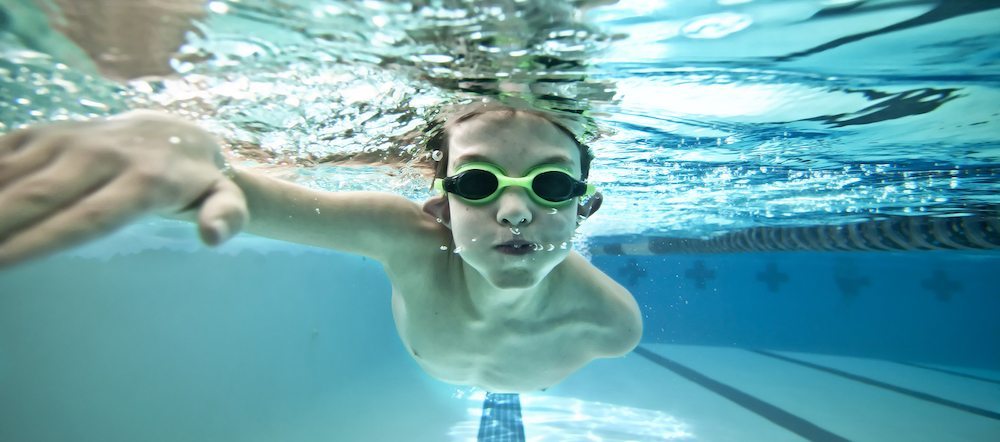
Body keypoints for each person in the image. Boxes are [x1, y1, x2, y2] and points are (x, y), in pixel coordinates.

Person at [0, 100, 642, 393]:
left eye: (552, 183)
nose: (514, 211)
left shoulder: (613, 324)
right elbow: (242, 196)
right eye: (477, 181)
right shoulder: (405, 241)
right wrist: (185, 172)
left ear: (586, 204)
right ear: (439, 204)